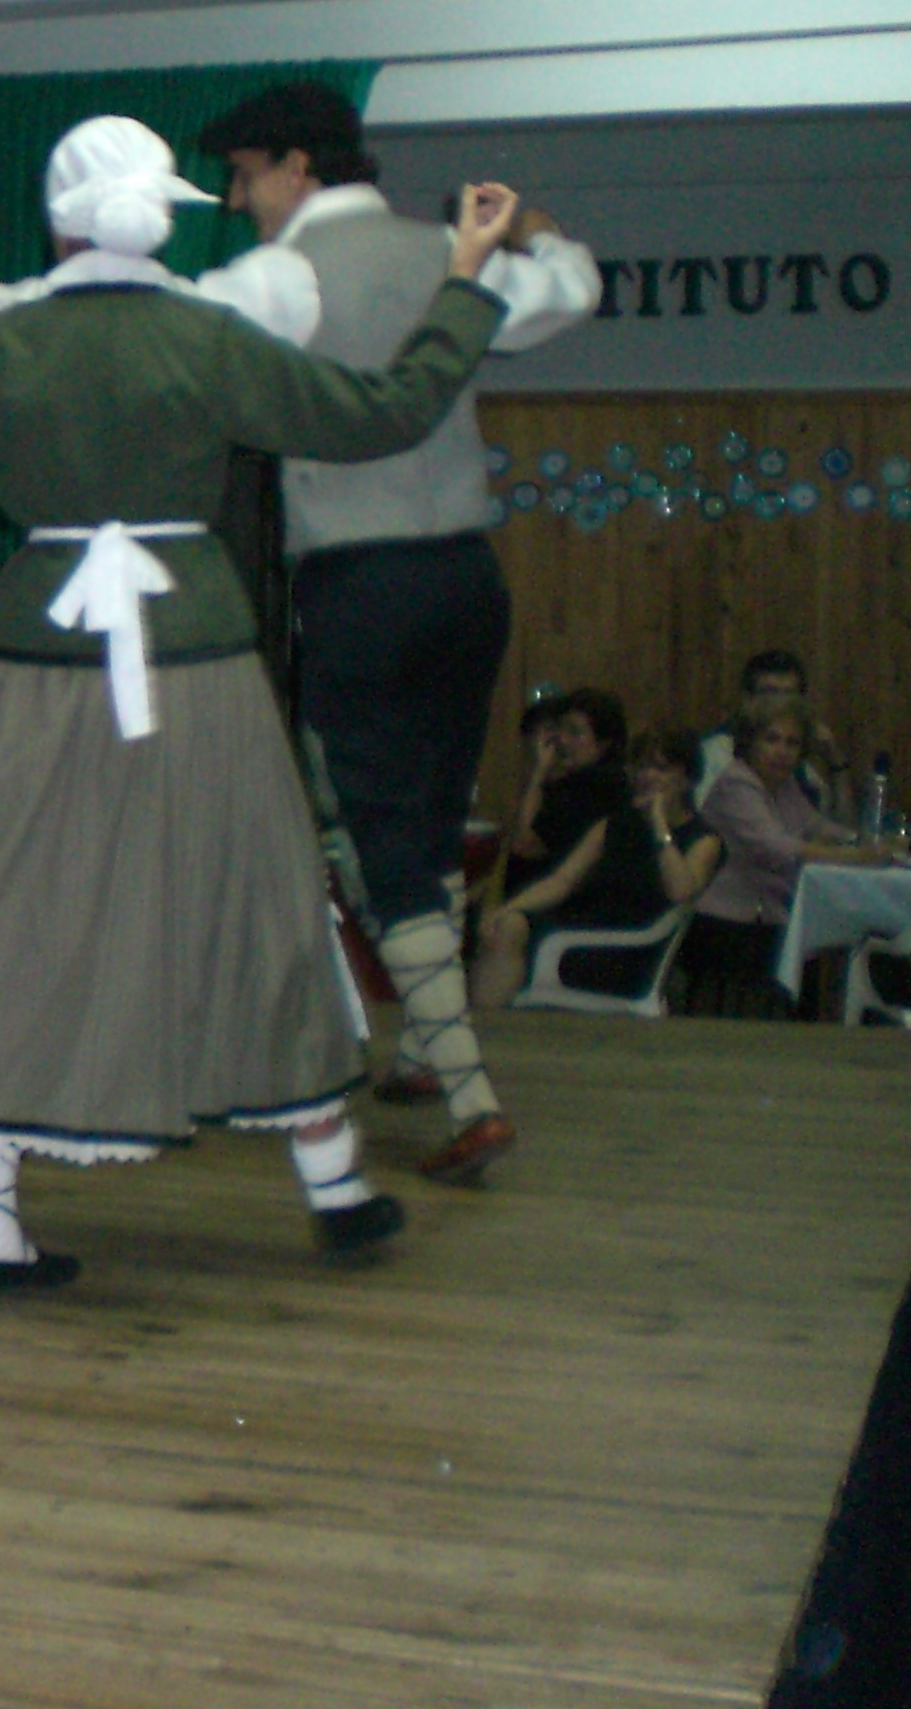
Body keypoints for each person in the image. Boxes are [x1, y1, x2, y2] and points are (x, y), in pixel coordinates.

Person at [0, 115, 524, 1290]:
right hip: (194, 655)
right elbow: (382, 414)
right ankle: (333, 1183)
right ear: (161, 214)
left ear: (58, 220)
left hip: (35, 665)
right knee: (247, 897)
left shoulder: (6, 345)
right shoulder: (203, 334)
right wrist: (460, 285)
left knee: (5, 915)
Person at [190, 80, 601, 1186]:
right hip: (466, 576)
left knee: (381, 832)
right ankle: (421, 1050)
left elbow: (166, 337)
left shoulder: (281, 276)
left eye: (241, 177)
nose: (237, 202)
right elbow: (570, 286)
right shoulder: (440, 253)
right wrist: (533, 225)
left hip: (359, 582)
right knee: (426, 814)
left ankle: (469, 1091)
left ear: (292, 167)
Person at [466, 727, 722, 1013]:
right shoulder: (614, 825)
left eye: (659, 769)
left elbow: (680, 890)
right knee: (505, 924)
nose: (646, 776)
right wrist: (507, 908)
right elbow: (563, 880)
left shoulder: (702, 839)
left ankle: (485, 1023)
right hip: (581, 925)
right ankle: (486, 1022)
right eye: (641, 767)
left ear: (686, 778)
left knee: (512, 935)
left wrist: (660, 827)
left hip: (626, 949)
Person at [682, 699, 892, 1016]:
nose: (782, 751)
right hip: (723, 923)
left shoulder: (784, 785)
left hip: (766, 916)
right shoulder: (738, 784)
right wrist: (859, 855)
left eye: (792, 743)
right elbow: (778, 847)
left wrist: (868, 841)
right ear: (749, 743)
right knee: (806, 946)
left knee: (825, 941)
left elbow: (817, 826)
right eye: (772, 740)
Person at [694, 651, 849, 819]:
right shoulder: (715, 752)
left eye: (789, 696)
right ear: (747, 699)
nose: (780, 706)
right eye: (770, 694)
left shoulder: (798, 762)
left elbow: (842, 828)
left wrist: (836, 764)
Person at [500, 686, 630, 870]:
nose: (562, 740)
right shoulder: (573, 782)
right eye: (562, 729)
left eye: (575, 732)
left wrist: (539, 772)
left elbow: (525, 844)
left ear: (603, 743)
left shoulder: (598, 786)